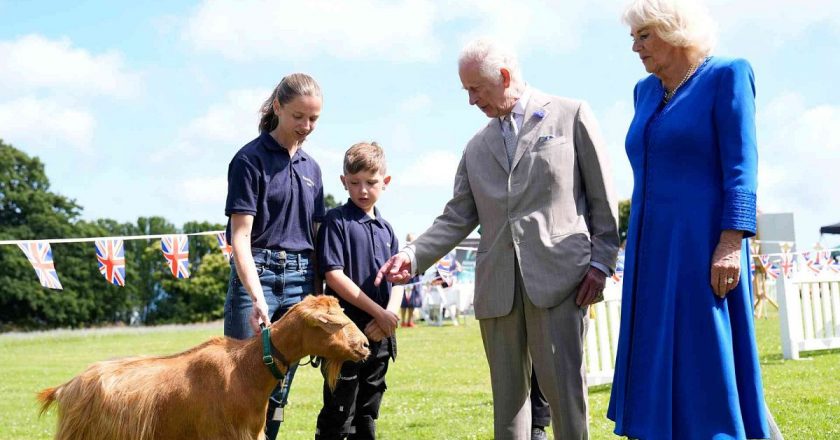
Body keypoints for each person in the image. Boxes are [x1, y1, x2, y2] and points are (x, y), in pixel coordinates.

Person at [376, 37, 619, 439]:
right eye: (466, 91)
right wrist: (413, 254)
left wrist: (601, 261)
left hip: (561, 283)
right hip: (497, 290)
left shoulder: (571, 115)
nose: (471, 100)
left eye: (476, 89)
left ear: (504, 77)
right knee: (507, 407)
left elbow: (601, 197)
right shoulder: (475, 147)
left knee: (566, 399)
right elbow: (456, 216)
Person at [607, 1, 770, 439]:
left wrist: (731, 242)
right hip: (648, 249)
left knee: (704, 355)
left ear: (673, 31)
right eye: (633, 37)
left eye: (644, 35)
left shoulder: (728, 74)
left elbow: (742, 166)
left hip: (702, 246)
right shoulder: (644, 91)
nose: (635, 48)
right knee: (652, 351)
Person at [223, 73, 325, 439]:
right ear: (278, 107)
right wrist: (256, 296)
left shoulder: (312, 169)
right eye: (299, 116)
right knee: (240, 385)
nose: (306, 126)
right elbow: (241, 236)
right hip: (258, 274)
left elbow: (316, 236)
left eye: (313, 118)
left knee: (278, 389)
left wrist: (318, 296)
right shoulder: (249, 160)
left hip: (301, 280)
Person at [315, 141, 399, 439]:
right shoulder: (336, 221)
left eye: (371, 182)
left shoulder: (387, 230)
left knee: (367, 411)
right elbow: (334, 275)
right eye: (354, 183)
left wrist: (388, 317)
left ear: (385, 182)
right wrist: (376, 312)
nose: (362, 190)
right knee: (340, 411)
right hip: (345, 335)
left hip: (380, 336)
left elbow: (398, 278)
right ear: (343, 182)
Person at [400, 233, 423, 328]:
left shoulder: (418, 251)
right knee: (404, 302)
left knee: (412, 302)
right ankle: (403, 321)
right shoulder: (403, 251)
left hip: (415, 280)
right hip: (405, 280)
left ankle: (410, 321)